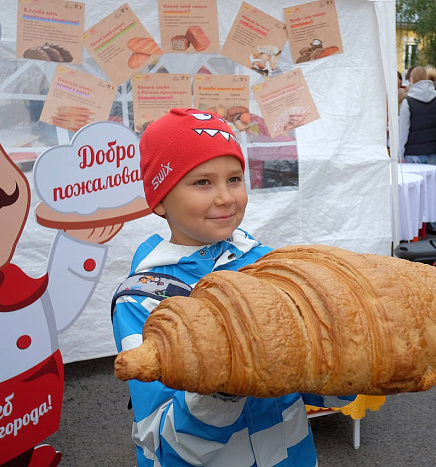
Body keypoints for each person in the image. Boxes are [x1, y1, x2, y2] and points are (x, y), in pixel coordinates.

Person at [111, 109, 356, 466]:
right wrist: (224, 384)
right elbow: (159, 438)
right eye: (202, 182)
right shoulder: (143, 301)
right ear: (160, 199)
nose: (226, 197)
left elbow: (308, 379)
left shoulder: (269, 265)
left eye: (235, 179)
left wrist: (345, 365)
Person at [399, 66, 436, 235]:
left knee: (415, 190)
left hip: (413, 152)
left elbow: (403, 131)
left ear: (412, 80)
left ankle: (416, 226)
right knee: (435, 187)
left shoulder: (408, 102)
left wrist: (400, 154)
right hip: (434, 150)